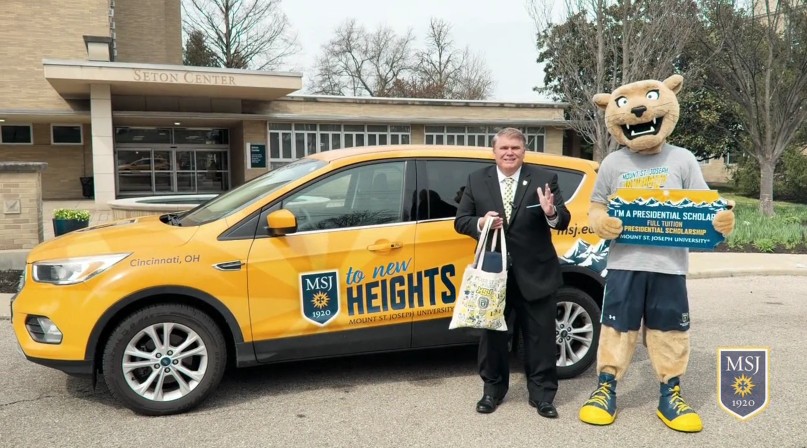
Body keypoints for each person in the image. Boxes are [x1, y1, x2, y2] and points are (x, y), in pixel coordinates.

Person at [454, 127, 571, 418]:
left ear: (523, 151)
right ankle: (492, 391)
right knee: (493, 337)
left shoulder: (544, 179)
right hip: (494, 275)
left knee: (540, 338)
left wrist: (551, 212)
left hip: (536, 273)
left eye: (515, 148)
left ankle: (542, 395)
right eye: (504, 148)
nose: (509, 153)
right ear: (494, 152)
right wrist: (481, 223)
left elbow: (563, 220)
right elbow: (461, 220)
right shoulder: (476, 179)